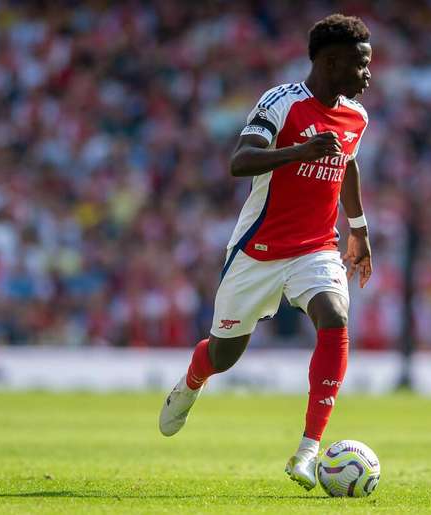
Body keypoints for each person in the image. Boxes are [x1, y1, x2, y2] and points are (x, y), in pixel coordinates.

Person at [158, 13, 373, 490]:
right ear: (332, 61)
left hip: (316, 248)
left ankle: (307, 450)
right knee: (224, 354)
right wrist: (300, 152)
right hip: (258, 251)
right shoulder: (281, 102)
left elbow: (348, 164)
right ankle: (192, 381)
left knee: (335, 316)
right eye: (361, 65)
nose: (368, 75)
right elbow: (240, 161)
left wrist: (357, 228)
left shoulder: (356, 116)